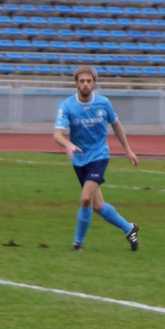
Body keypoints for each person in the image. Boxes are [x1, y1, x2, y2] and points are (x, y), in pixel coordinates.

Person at [53, 66, 139, 251]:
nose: (85, 84)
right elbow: (57, 134)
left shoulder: (103, 103)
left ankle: (78, 242)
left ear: (94, 83)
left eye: (89, 81)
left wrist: (128, 150)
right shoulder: (67, 105)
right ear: (76, 83)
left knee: (85, 199)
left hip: (99, 156)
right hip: (79, 159)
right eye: (82, 81)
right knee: (97, 205)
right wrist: (67, 144)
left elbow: (116, 125)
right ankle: (129, 228)